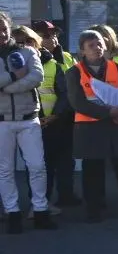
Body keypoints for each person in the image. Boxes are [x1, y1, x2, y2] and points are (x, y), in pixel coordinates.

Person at [64, 29, 118, 221]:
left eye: (99, 44)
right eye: (91, 46)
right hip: (90, 128)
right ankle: (94, 210)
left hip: (116, 125)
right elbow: (77, 102)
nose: (97, 48)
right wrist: (107, 113)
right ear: (82, 51)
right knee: (93, 172)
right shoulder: (74, 72)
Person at [0, 18, 51, 230]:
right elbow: (23, 76)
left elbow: (36, 77)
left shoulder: (27, 51)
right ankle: (12, 212)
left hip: (29, 118)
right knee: (5, 170)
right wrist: (14, 74)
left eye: (3, 28)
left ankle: (40, 210)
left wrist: (8, 87)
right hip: (2, 121)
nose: (2, 33)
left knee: (37, 166)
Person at [35, 20, 78, 208]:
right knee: (44, 164)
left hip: (64, 118)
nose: (51, 38)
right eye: (45, 35)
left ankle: (66, 196)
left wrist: (59, 114)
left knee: (66, 161)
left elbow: (74, 86)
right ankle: (42, 200)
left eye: (54, 34)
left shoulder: (67, 57)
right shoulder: (30, 57)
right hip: (40, 120)